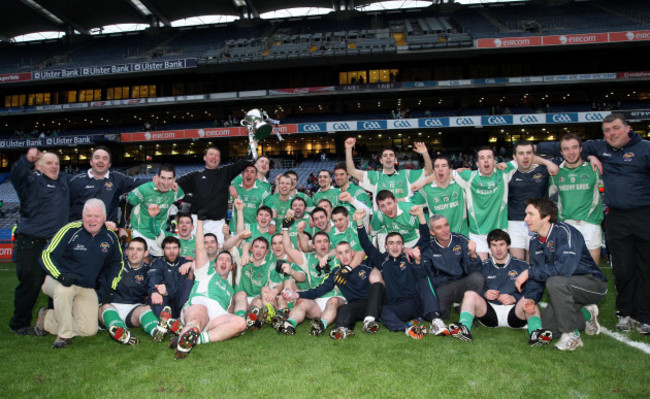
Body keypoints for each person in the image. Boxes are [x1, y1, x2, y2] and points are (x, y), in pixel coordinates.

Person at [537, 113, 650, 334]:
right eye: (607, 130)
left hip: (644, 215)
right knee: (623, 269)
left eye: (616, 128)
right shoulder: (600, 147)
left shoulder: (645, 148)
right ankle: (625, 313)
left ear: (628, 128)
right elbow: (556, 148)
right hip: (616, 218)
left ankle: (646, 315)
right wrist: (587, 156)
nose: (611, 134)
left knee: (646, 266)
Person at [515, 198, 607, 351]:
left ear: (546, 217)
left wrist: (529, 272)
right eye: (526, 214)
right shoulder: (535, 242)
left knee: (554, 282)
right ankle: (587, 315)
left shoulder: (565, 232)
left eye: (530, 214)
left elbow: (565, 268)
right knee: (547, 329)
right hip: (565, 287)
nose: (526, 219)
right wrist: (531, 298)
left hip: (593, 284)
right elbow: (537, 277)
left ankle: (572, 336)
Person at [34, 199, 124, 348]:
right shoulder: (70, 230)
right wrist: (60, 275)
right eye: (88, 215)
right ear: (82, 216)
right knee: (65, 290)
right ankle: (63, 336)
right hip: (56, 281)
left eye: (96, 216)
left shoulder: (110, 237)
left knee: (89, 330)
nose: (92, 220)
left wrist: (110, 286)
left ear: (104, 217)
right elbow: (46, 254)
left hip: (85, 286)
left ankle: (46, 318)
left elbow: (118, 263)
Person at [447, 229, 552, 347]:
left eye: (501, 244)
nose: (498, 249)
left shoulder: (522, 266)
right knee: (469, 294)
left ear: (508, 245)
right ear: (489, 248)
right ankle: (464, 328)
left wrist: (515, 298)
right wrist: (484, 293)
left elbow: (534, 289)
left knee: (530, 300)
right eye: (494, 245)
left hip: (515, 312)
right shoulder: (484, 266)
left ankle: (536, 333)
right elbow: (473, 285)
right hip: (490, 313)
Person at [356, 208, 447, 339]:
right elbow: (366, 244)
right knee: (385, 312)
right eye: (391, 243)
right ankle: (408, 328)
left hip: (418, 303)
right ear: (386, 246)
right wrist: (359, 222)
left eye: (398, 243)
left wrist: (421, 216)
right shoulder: (382, 261)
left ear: (403, 245)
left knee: (424, 279)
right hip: (398, 307)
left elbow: (425, 238)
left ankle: (435, 321)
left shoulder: (409, 256)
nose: (395, 247)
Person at [9, 148, 71, 336]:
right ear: (38, 166)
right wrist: (26, 159)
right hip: (31, 243)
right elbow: (16, 175)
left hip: (55, 244)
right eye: (49, 163)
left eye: (57, 163)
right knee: (31, 282)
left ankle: (51, 321)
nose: (54, 166)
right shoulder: (30, 181)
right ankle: (19, 323)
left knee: (58, 283)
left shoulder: (64, 182)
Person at [172, 219, 246, 360]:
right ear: (215, 264)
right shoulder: (205, 271)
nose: (224, 262)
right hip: (200, 304)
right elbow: (200, 247)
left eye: (227, 260)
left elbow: (228, 313)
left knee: (240, 323)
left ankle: (196, 339)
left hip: (216, 316)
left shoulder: (229, 289)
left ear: (231, 267)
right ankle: (185, 341)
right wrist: (200, 221)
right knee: (198, 317)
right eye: (221, 259)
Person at [282, 241, 374, 340]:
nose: (344, 256)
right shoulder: (336, 272)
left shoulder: (363, 263)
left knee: (335, 301)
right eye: (340, 253)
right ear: (337, 256)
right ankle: (291, 324)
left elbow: (363, 252)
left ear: (352, 252)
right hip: (352, 306)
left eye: (347, 252)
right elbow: (320, 290)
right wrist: (296, 294)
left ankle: (322, 325)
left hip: (369, 302)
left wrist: (348, 268)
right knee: (304, 302)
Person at [98, 237, 180, 345]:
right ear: (126, 251)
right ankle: (121, 332)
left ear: (146, 253)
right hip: (110, 305)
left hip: (132, 311)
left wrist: (159, 291)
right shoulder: (115, 265)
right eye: (131, 249)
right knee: (106, 308)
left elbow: (153, 285)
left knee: (146, 308)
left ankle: (156, 331)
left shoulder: (148, 270)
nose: (134, 253)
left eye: (139, 249)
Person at [178, 145, 256, 244]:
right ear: (204, 157)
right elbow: (174, 189)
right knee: (195, 254)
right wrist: (191, 199)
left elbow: (245, 162)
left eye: (217, 156)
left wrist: (253, 145)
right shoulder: (194, 177)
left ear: (219, 160)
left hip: (217, 225)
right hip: (196, 222)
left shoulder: (225, 173)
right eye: (211, 154)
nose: (214, 158)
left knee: (219, 256)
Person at [548, 133, 604, 266]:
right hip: (566, 225)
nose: (571, 152)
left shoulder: (594, 168)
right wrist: (546, 162)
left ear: (581, 149)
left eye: (574, 147)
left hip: (590, 224)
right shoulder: (555, 172)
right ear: (561, 152)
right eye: (566, 149)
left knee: (592, 272)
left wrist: (592, 157)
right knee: (568, 273)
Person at [452, 147, 516, 260]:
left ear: (495, 161)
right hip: (477, 233)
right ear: (477, 163)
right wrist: (422, 182)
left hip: (499, 231)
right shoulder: (469, 176)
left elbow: (524, 158)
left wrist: (498, 166)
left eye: (489, 157)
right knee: (481, 271)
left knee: (498, 269)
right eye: (482, 158)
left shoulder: (503, 172)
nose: (486, 160)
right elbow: (442, 172)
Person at [276, 230, 345, 336]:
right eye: (319, 241)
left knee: (333, 301)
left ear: (329, 244)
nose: (322, 244)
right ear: (313, 245)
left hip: (337, 300)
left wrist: (328, 255)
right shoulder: (308, 259)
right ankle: (289, 324)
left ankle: (321, 325)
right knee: (302, 302)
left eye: (325, 241)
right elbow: (288, 249)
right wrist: (285, 228)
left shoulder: (337, 257)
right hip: (316, 300)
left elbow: (348, 248)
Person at [416, 214, 483, 319]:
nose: (445, 230)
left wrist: (473, 255)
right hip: (443, 287)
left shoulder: (460, 240)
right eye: (439, 227)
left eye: (446, 225)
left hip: (462, 284)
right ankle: (447, 306)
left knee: (478, 278)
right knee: (438, 315)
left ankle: (465, 307)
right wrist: (418, 261)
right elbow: (426, 276)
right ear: (432, 232)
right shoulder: (429, 248)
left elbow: (473, 270)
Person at [68, 146, 141, 234]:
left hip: (108, 233)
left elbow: (140, 184)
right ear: (91, 162)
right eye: (97, 158)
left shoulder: (117, 179)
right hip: (81, 233)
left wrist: (157, 182)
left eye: (105, 158)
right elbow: (65, 209)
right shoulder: (77, 181)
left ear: (109, 164)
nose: (100, 161)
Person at [505, 142, 558, 261]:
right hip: (514, 223)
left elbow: (559, 164)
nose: (525, 156)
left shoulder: (544, 171)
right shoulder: (507, 172)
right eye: (521, 153)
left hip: (537, 223)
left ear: (534, 155)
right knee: (517, 263)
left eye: (529, 153)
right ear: (515, 157)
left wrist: (547, 162)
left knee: (534, 262)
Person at [345, 138, 432, 207]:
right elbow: (351, 171)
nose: (388, 158)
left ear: (395, 160)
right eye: (385, 156)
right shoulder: (374, 176)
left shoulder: (407, 174)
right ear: (381, 160)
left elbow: (428, 171)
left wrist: (425, 153)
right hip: (383, 225)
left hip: (405, 222)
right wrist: (349, 149)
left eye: (391, 155)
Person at [127, 164, 184, 257]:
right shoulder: (144, 189)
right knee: (139, 262)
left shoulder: (176, 191)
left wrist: (172, 232)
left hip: (159, 235)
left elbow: (184, 200)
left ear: (174, 179)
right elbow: (129, 201)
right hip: (141, 232)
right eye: (163, 178)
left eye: (169, 178)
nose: (166, 182)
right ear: (157, 177)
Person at [411, 155, 468, 236]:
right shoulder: (426, 189)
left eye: (444, 166)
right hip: (438, 240)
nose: (440, 169)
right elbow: (412, 206)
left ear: (450, 169)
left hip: (461, 236)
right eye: (437, 166)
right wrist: (428, 222)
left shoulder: (460, 185)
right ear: (433, 171)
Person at [146, 236, 193, 318]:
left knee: (189, 282)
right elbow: (153, 277)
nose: (172, 252)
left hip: (180, 302)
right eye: (168, 248)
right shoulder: (158, 263)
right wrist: (154, 291)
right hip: (165, 301)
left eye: (174, 248)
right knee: (155, 296)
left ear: (179, 250)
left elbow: (203, 267)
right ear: (163, 251)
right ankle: (167, 321)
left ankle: (184, 317)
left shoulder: (185, 262)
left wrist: (192, 264)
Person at [228, 164, 270, 232]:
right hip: (234, 230)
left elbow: (271, 209)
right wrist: (228, 186)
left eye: (252, 172)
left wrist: (272, 223)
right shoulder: (234, 189)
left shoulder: (263, 193)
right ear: (242, 175)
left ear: (256, 176)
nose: (249, 174)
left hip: (253, 232)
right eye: (246, 171)